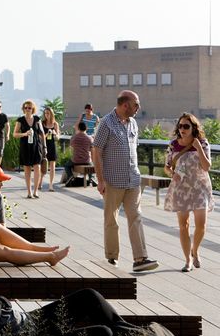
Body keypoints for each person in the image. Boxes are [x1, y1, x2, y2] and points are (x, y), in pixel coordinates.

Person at [91, 90, 158, 272]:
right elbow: (96, 151)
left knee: (135, 217)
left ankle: (140, 258)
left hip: (133, 180)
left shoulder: (133, 123)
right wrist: (100, 180)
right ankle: (112, 258)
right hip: (112, 181)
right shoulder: (106, 123)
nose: (139, 108)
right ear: (125, 105)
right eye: (136, 104)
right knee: (111, 220)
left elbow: (132, 150)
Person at [163, 113, 215, 272]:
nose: (183, 129)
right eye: (180, 126)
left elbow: (206, 167)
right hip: (181, 188)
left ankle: (195, 250)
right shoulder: (173, 145)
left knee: (201, 225)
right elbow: (166, 167)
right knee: (183, 225)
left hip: (200, 188)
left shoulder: (203, 143)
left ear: (193, 127)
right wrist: (173, 174)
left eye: (186, 126)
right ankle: (188, 260)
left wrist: (198, 147)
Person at [13, 100, 45, 199]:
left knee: (37, 168)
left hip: (36, 146)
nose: (27, 109)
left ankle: (35, 191)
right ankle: (29, 192)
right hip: (25, 146)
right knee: (27, 170)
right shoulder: (20, 120)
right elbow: (14, 134)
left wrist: (45, 147)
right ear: (23, 109)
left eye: (29, 108)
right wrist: (24, 134)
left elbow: (42, 133)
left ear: (33, 109)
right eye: (26, 108)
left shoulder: (37, 119)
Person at [40, 107, 61, 191]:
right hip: (44, 146)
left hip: (52, 145)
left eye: (48, 113)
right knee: (43, 165)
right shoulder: (42, 123)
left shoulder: (55, 124)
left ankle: (51, 185)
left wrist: (54, 133)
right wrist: (46, 134)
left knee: (52, 166)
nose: (46, 115)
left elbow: (58, 137)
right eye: (45, 113)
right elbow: (40, 138)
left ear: (51, 114)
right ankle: (40, 182)